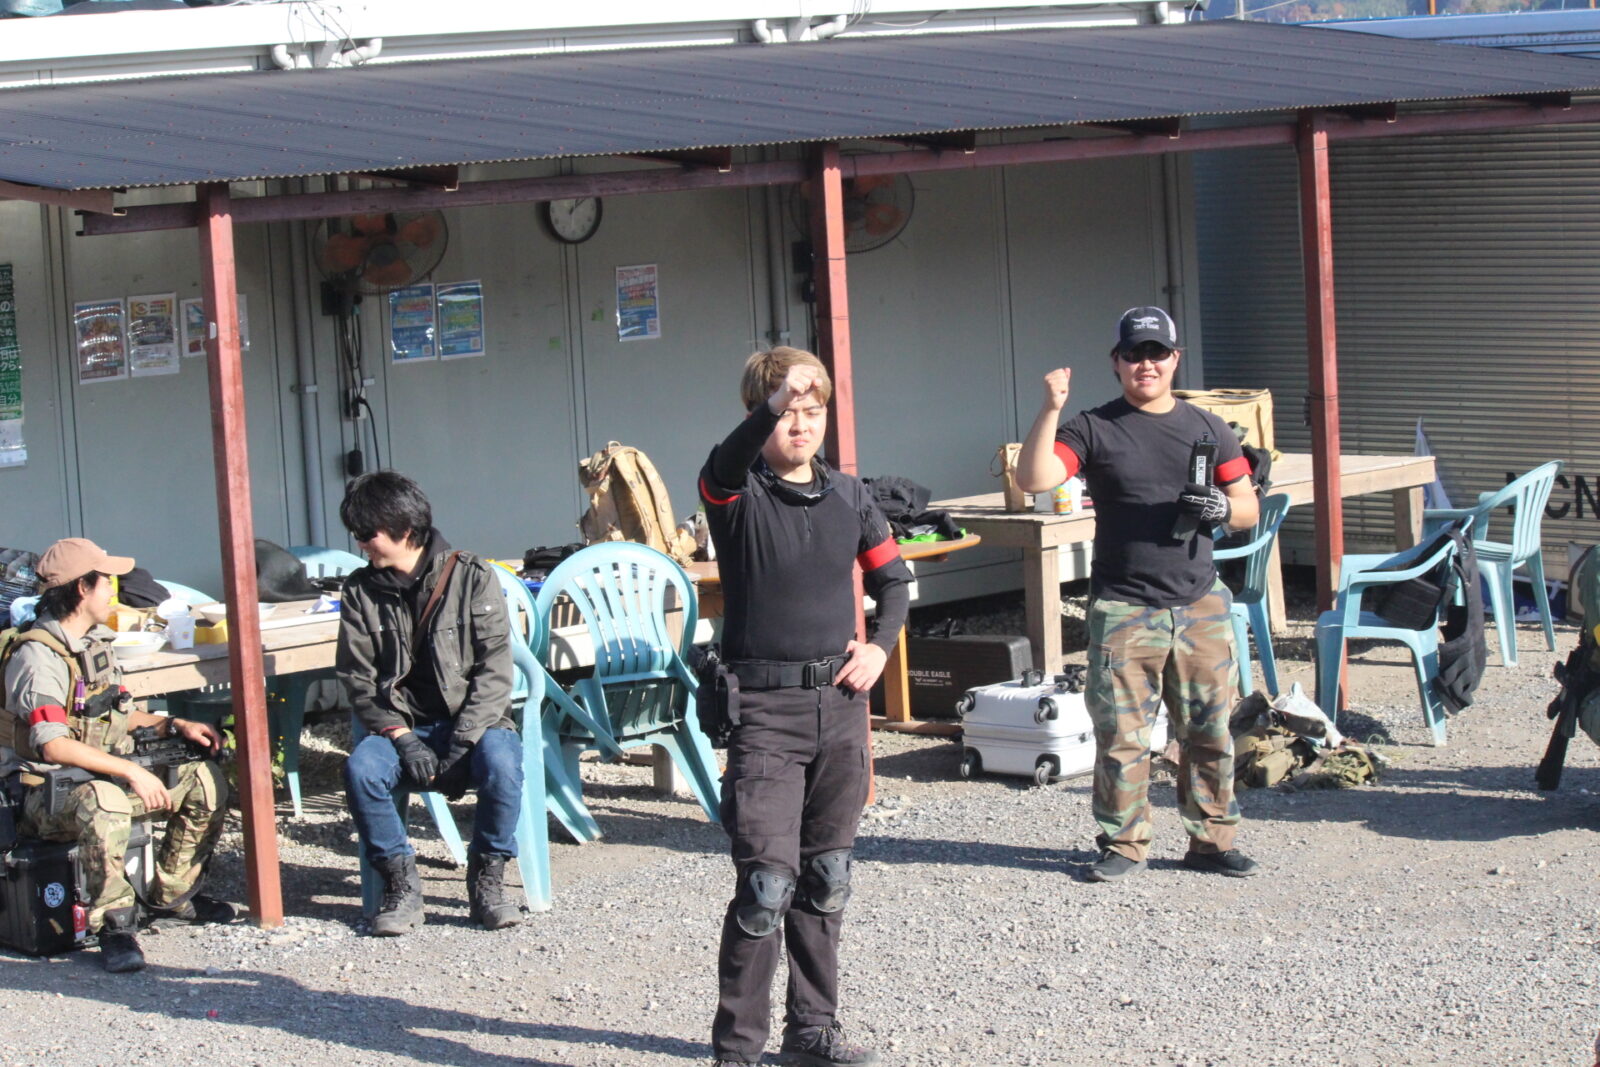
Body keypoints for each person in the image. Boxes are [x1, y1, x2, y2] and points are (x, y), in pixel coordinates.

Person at [700, 347, 913, 1067]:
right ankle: (738, 1051)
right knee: (766, 888)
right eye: (786, 412)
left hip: (841, 707)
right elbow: (725, 464)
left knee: (826, 878)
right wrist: (772, 399)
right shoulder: (734, 495)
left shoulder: (851, 495)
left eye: (812, 411)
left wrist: (879, 647)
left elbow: (894, 583)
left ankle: (813, 1033)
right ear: (758, 416)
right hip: (765, 714)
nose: (800, 424)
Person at [1017, 306, 1261, 883]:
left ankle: (1211, 843)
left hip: (1200, 603)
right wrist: (1050, 408)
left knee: (1210, 732)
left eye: (1156, 353)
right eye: (1134, 354)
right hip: (1125, 607)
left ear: (1175, 359)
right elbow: (1034, 479)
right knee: (1122, 738)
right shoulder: (1092, 427)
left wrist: (1221, 508)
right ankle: (1123, 844)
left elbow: (1247, 507)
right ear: (1116, 362)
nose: (1145, 364)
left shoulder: (1209, 428)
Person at [0, 538, 232, 973]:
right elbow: (52, 744)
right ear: (82, 588)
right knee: (104, 802)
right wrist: (130, 771)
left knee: (202, 779)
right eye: (106, 581)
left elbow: (117, 716)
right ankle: (115, 924)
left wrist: (173, 725)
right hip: (41, 795)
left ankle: (172, 897)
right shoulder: (38, 658)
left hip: (94, 775)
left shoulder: (93, 644)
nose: (113, 590)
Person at [336, 470, 523, 935]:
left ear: (403, 529)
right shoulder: (360, 590)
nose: (360, 544)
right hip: (403, 727)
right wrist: (402, 738)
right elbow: (358, 680)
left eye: (366, 533)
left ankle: (488, 879)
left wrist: (463, 741)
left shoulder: (473, 576)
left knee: (503, 765)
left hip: (474, 723)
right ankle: (400, 883)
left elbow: (495, 671)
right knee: (363, 770)